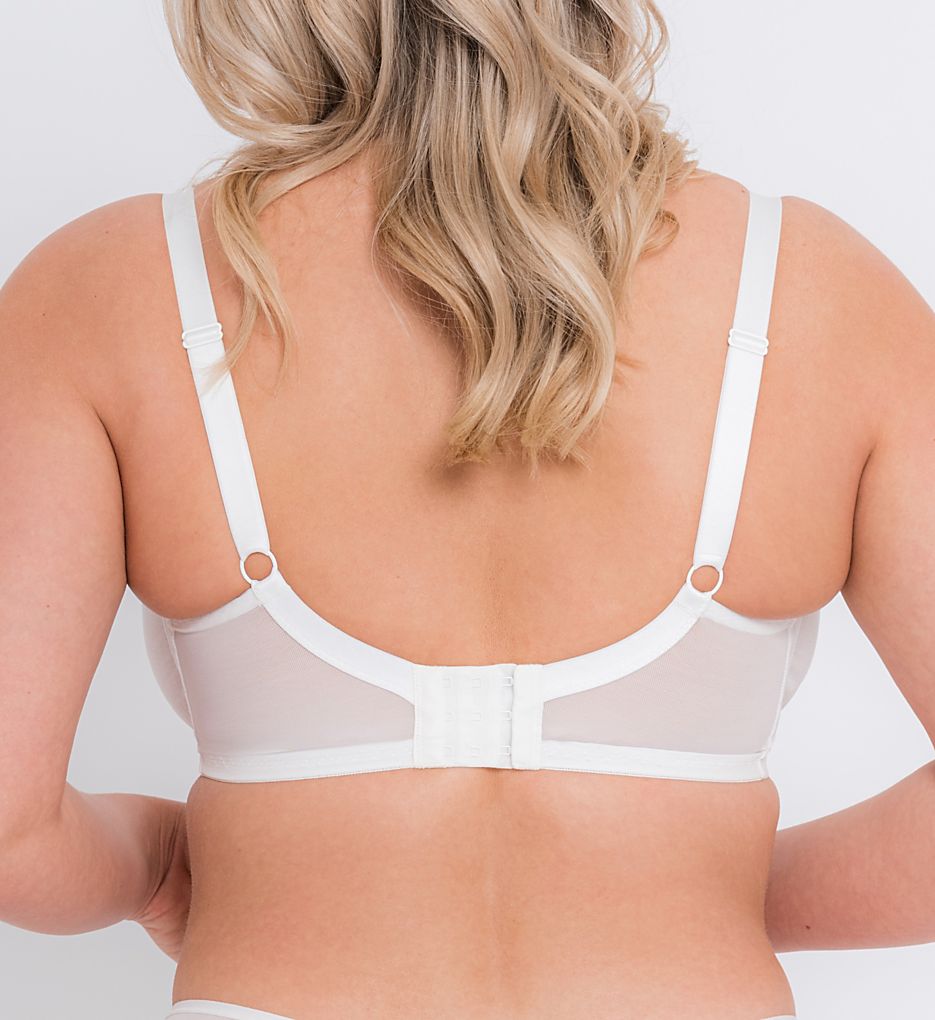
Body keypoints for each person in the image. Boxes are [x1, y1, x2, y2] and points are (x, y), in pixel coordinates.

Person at [1, 2, 933, 1019]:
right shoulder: (820, 295)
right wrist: (714, 894)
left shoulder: (110, 289)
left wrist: (155, 870)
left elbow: (9, 833)